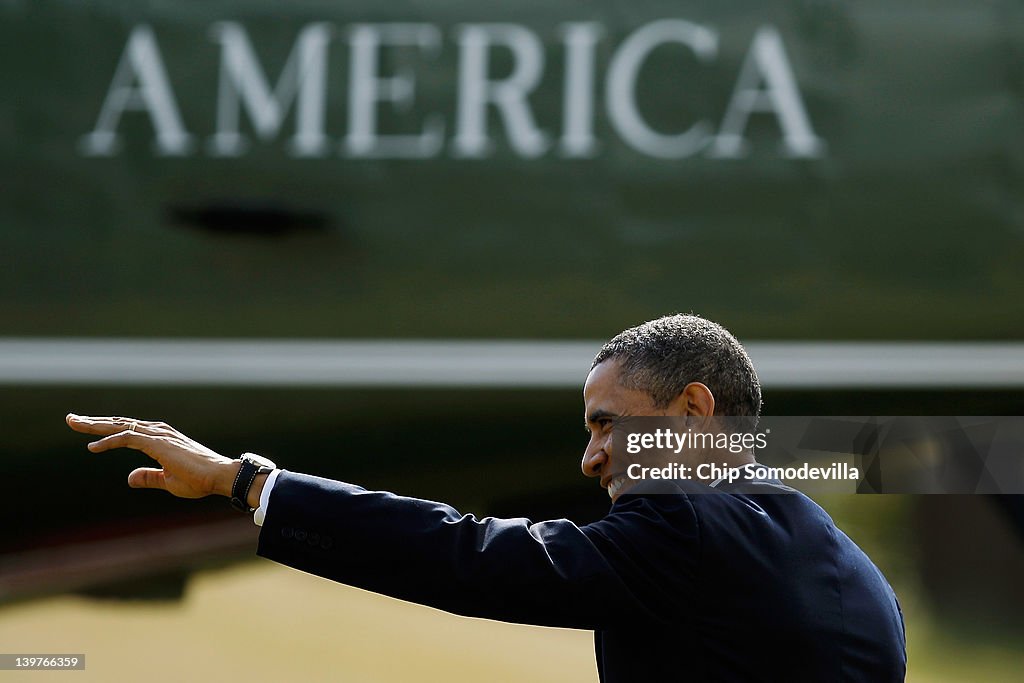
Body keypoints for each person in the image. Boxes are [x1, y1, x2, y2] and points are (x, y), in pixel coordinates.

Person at [67, 314, 906, 682]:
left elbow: (468, 556)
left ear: (693, 409)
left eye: (606, 424)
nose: (592, 456)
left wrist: (246, 481)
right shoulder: (853, 569)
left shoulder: (682, 524)